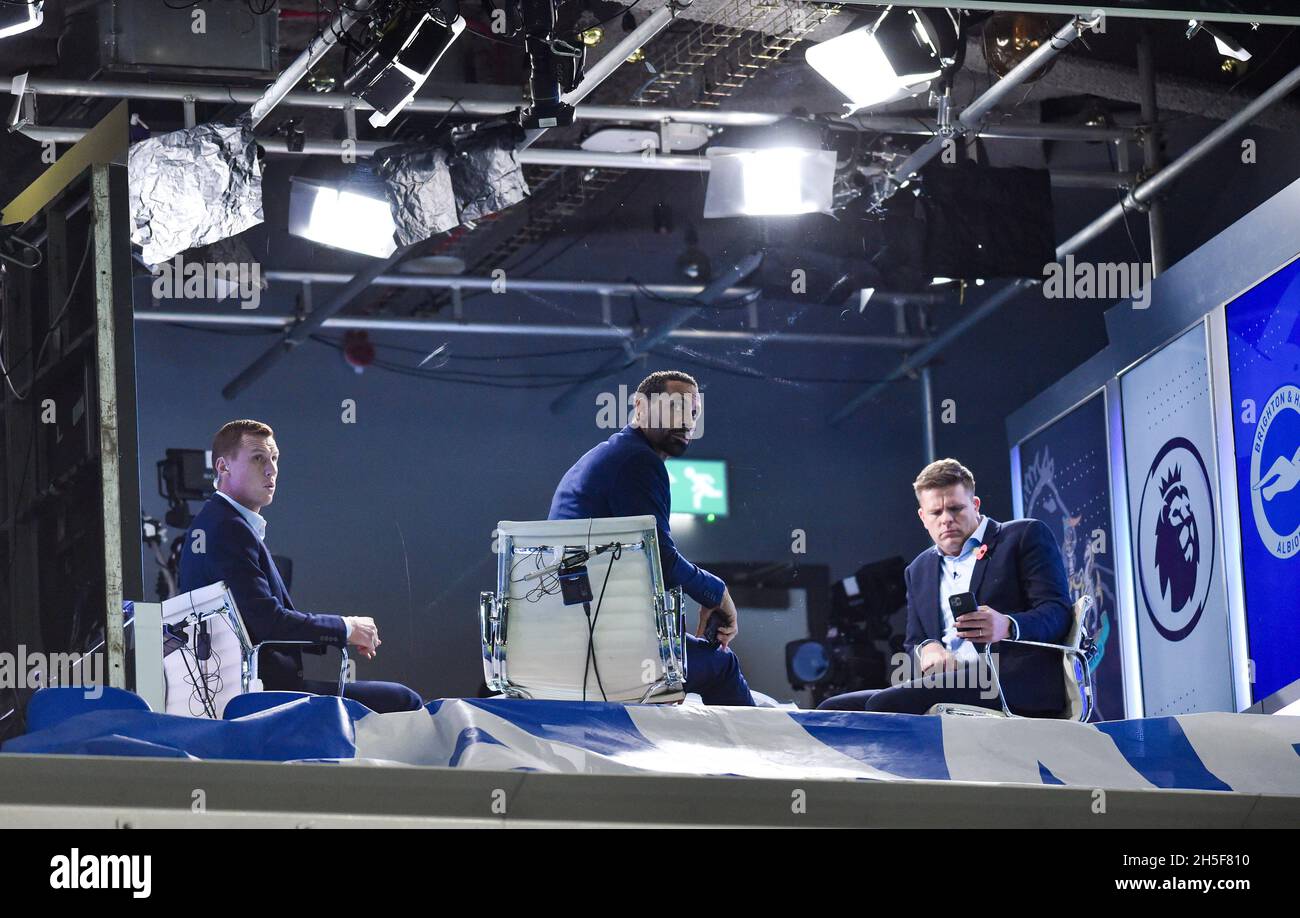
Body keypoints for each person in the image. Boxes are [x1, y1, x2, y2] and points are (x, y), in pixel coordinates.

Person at [179, 419, 422, 714]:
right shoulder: (229, 528)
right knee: (403, 701)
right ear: (222, 467)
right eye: (258, 458)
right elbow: (266, 623)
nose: (271, 469)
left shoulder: (214, 522)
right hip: (262, 695)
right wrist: (346, 627)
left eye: (274, 458)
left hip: (244, 691)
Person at [548, 371, 754, 706]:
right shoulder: (639, 462)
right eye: (676, 408)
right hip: (611, 651)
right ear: (640, 408)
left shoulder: (605, 457)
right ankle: (755, 758)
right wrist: (718, 593)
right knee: (722, 664)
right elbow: (660, 559)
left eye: (693, 413)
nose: (687, 422)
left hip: (578, 642)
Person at [819, 458, 1072, 715]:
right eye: (936, 513)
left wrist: (1007, 625)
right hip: (952, 682)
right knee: (833, 710)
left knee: (884, 705)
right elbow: (914, 640)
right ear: (922, 517)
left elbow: (1058, 612)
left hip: (1015, 680)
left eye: (955, 508)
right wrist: (928, 648)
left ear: (975, 505)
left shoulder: (1023, 536)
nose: (946, 519)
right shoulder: (918, 569)